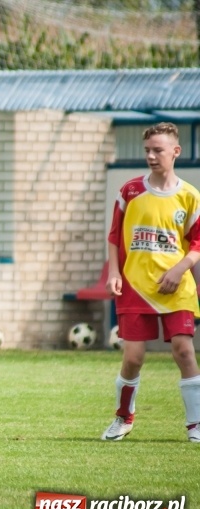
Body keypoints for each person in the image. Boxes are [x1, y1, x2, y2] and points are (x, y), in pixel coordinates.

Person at [102, 122, 200, 443]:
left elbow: (197, 243)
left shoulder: (189, 196)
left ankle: (196, 425)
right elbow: (115, 236)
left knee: (184, 351)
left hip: (176, 288)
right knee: (133, 358)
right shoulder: (130, 191)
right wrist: (115, 273)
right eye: (147, 150)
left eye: (158, 150)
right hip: (135, 286)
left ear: (176, 151)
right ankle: (123, 418)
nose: (152, 156)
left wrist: (180, 269)